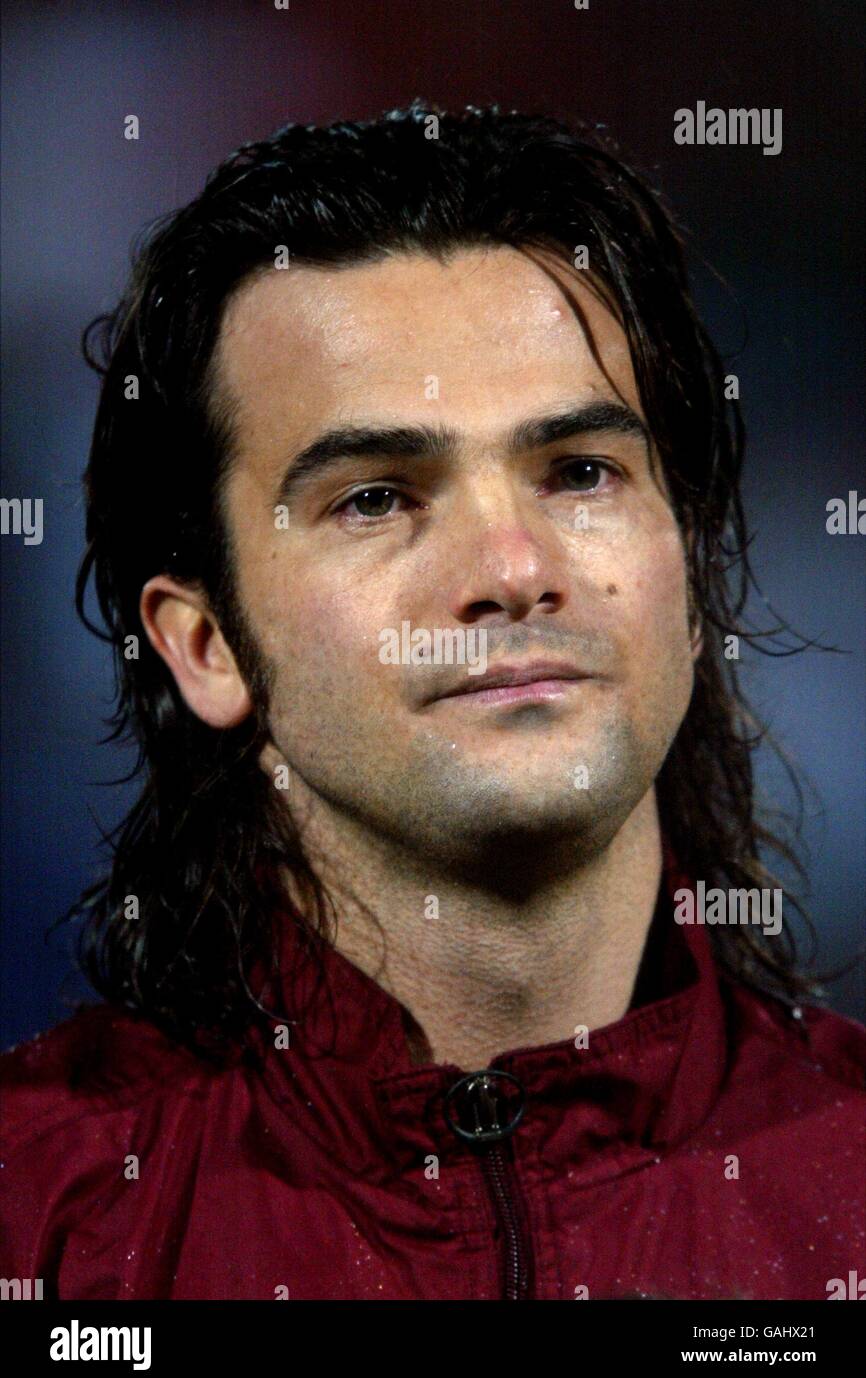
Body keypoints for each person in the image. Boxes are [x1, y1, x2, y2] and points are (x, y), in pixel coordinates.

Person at [1, 103, 863, 1302]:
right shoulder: (33, 1212)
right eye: (375, 498)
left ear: (687, 564)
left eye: (578, 472)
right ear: (204, 644)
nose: (513, 569)